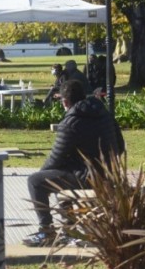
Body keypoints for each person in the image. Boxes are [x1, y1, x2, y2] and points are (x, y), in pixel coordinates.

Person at [23, 80, 125, 247]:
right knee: (60, 174)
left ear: (65, 102)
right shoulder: (106, 115)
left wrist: (42, 173)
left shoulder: (71, 122)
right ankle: (70, 229)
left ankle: (46, 231)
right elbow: (120, 147)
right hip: (108, 174)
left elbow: (55, 158)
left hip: (87, 178)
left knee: (36, 181)